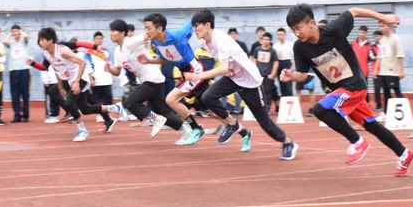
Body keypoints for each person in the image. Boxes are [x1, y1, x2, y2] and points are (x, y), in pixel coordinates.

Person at [281, 4, 413, 176]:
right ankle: (404, 154)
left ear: (312, 23)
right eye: (293, 30)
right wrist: (291, 76)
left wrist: (384, 18)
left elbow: (354, 10)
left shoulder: (332, 30)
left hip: (354, 86)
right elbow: (302, 74)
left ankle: (356, 141)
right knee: (371, 125)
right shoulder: (300, 47)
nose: (297, 33)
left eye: (299, 28)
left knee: (320, 110)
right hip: (340, 90)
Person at [186, 10, 298, 159]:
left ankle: (288, 142)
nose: (194, 30)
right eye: (193, 27)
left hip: (250, 82)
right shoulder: (202, 42)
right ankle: (232, 124)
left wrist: (198, 76)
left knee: (265, 123)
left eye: (197, 26)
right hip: (233, 78)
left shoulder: (221, 40)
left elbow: (224, 67)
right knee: (207, 97)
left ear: (207, 25)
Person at [27, 28, 123, 142]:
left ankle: (82, 129)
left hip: (80, 76)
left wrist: (77, 82)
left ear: (50, 40)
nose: (39, 42)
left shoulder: (62, 50)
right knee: (85, 109)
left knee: (69, 103)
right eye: (39, 40)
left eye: (42, 40)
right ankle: (115, 107)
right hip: (69, 80)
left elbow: (82, 61)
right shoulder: (47, 54)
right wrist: (32, 63)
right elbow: (44, 67)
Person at [105, 19, 189, 141]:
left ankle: (156, 119)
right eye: (110, 31)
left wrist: (157, 36)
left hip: (152, 78)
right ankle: (184, 129)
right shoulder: (118, 51)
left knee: (130, 103)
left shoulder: (131, 42)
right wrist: (109, 69)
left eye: (113, 31)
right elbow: (117, 72)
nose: (110, 33)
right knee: (163, 111)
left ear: (122, 33)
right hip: (149, 80)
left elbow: (148, 35)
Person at [142, 13, 209, 144]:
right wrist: (149, 61)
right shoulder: (155, 42)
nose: (146, 32)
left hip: (195, 70)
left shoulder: (177, 35)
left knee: (171, 99)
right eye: (145, 28)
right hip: (185, 74)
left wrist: (205, 14)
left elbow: (192, 22)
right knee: (211, 105)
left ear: (160, 29)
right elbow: (165, 60)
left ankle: (196, 129)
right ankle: (243, 132)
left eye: (148, 28)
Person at [376, 21, 405, 114]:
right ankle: (387, 113)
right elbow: (379, 57)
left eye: (383, 26)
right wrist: (376, 69)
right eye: (380, 26)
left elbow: (400, 55)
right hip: (383, 72)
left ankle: (404, 112)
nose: (381, 28)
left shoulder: (396, 39)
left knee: (397, 92)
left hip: (393, 72)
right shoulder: (382, 40)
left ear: (389, 26)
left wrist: (401, 71)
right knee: (385, 94)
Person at [4, 25, 31, 122]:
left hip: (24, 70)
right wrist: (11, 34)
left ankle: (26, 114)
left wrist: (20, 32)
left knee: (25, 93)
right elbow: (5, 41)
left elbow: (27, 36)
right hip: (13, 70)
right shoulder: (11, 42)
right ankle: (17, 115)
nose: (15, 33)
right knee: (15, 94)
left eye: (16, 31)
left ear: (20, 31)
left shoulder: (24, 41)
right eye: (13, 31)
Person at [253, 32, 279, 113]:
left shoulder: (272, 51)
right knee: (259, 93)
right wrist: (254, 71)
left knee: (267, 93)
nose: (266, 41)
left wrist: (273, 74)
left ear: (270, 41)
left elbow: (276, 62)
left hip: (268, 76)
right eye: (264, 39)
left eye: (268, 39)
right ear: (262, 40)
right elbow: (254, 60)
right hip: (259, 75)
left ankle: (267, 110)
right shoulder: (257, 49)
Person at [273, 28, 294, 97]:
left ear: (285, 35)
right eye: (278, 35)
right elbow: (274, 59)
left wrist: (291, 69)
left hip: (287, 63)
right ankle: (284, 101)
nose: (279, 36)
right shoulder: (275, 46)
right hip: (279, 64)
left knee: (288, 85)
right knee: (281, 84)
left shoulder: (290, 45)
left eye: (281, 34)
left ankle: (290, 99)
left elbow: (294, 58)